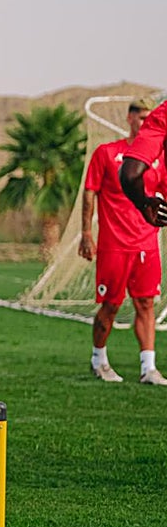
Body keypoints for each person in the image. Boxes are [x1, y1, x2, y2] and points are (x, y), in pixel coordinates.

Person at [80, 97, 167, 383]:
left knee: (146, 303)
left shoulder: (159, 157)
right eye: (140, 118)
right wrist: (86, 233)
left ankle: (148, 367)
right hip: (114, 244)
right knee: (111, 305)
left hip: (147, 243)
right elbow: (90, 191)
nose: (145, 123)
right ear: (130, 119)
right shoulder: (107, 153)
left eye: (148, 118)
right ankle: (99, 359)